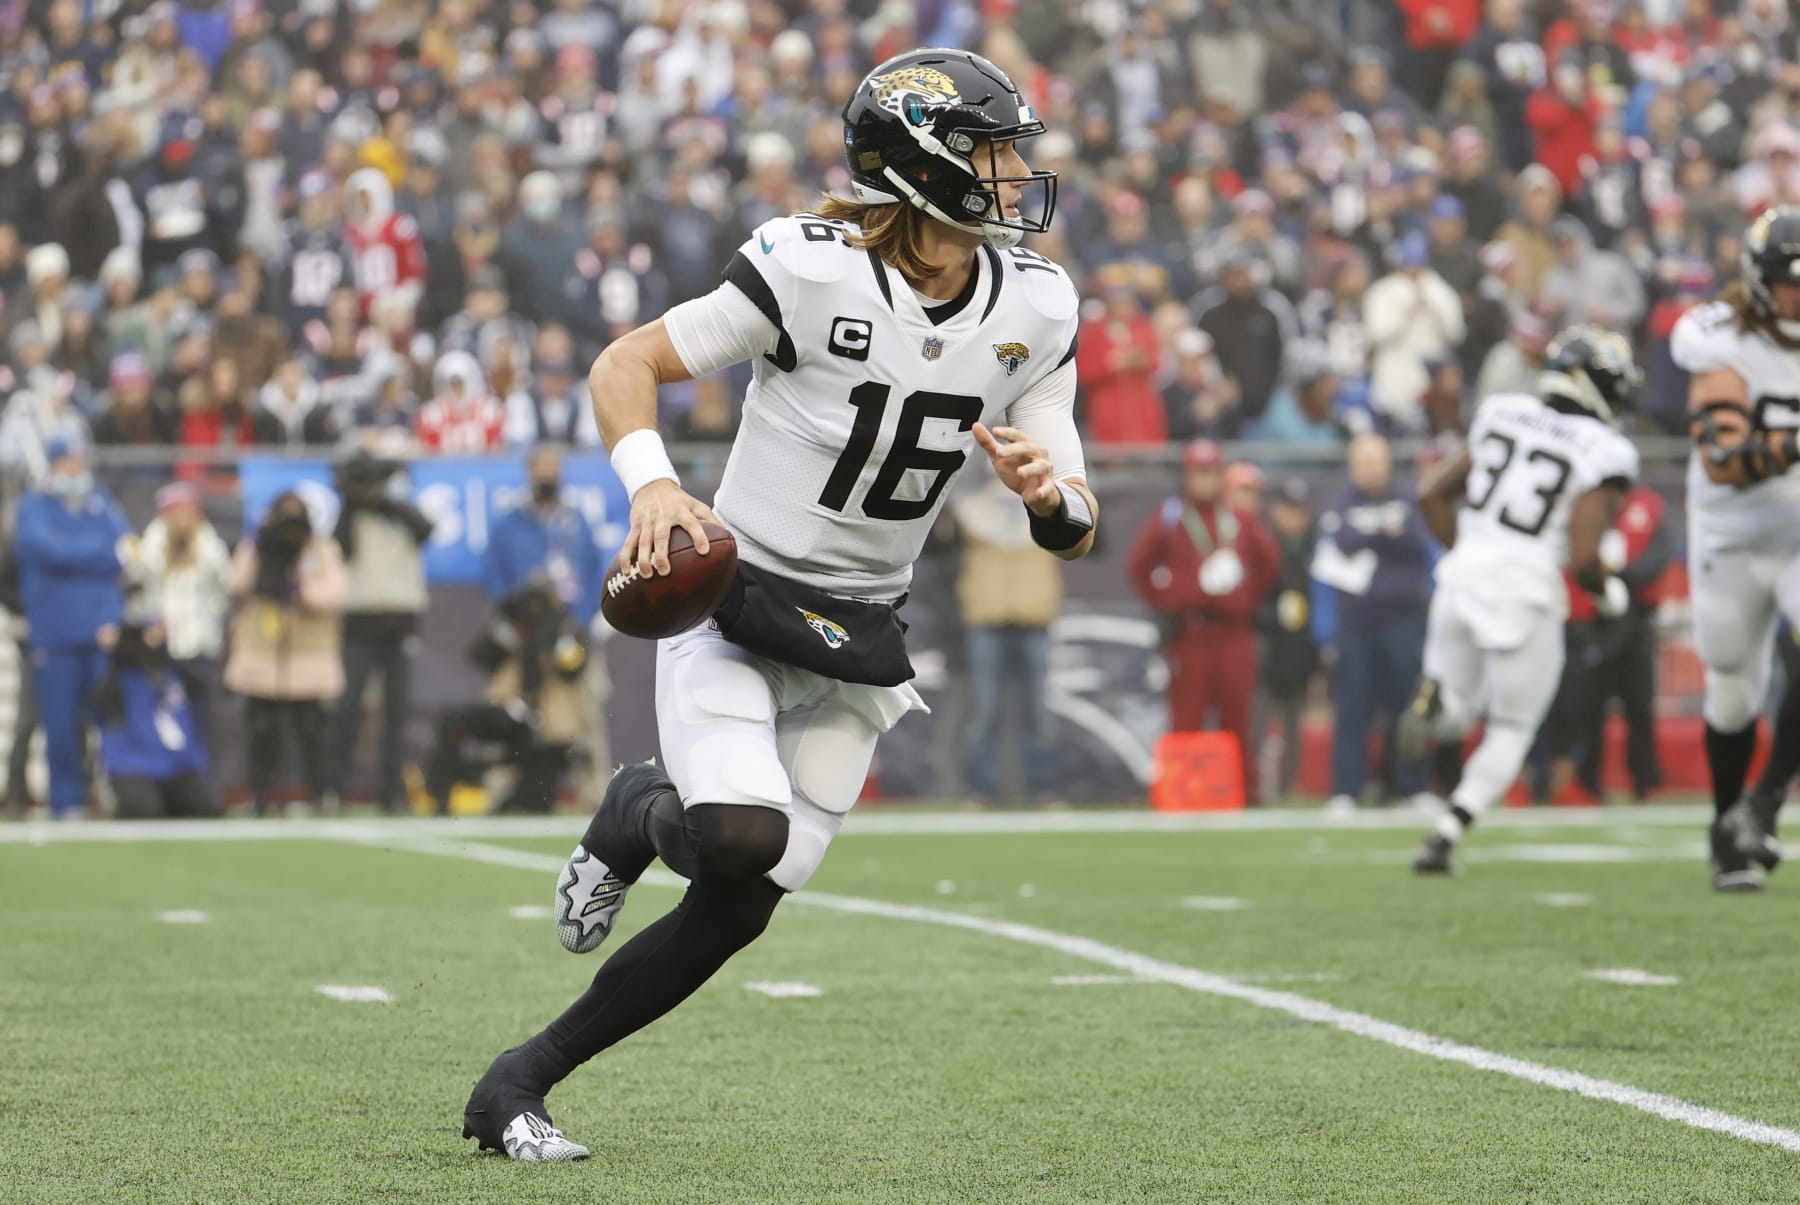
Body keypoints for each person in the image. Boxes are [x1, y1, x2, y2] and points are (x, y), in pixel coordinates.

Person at [460, 49, 1095, 1162]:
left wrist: (1050, 497)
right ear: (923, 165)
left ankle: (522, 1072)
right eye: (991, 151)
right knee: (739, 835)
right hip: (739, 598)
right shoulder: (810, 268)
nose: (1013, 174)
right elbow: (623, 365)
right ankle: (637, 812)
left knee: (744, 899)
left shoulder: (1037, 304)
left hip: (862, 628)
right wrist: (654, 485)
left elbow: (1075, 512)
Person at [1400, 327, 1641, 874]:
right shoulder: (1604, 449)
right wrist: (1609, 593)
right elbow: (1585, 558)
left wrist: (1471, 553)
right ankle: (1446, 833)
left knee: (1456, 715)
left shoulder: (1501, 411)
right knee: (1512, 727)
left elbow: (1431, 491)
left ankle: (1436, 702)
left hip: (1462, 576)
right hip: (1525, 589)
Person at [1670, 206, 1800, 891]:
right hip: (1732, 534)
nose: (1796, 297)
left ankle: (1766, 800)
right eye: (1786, 282)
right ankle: (1728, 830)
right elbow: (1723, 459)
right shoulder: (1720, 339)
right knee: (1730, 692)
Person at [1127, 438, 1278, 802]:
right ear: (1187, 475)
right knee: (1187, 717)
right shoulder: (1171, 517)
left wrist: (1245, 598)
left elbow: (1270, 562)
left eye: (1211, 472)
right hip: (1190, 632)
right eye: (1199, 472)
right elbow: (1138, 565)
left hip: (1233, 632)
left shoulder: (1238, 518)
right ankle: (1185, 794)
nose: (1205, 480)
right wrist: (1167, 600)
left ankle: (1244, 794)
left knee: (1237, 717)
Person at [1310, 433, 1439, 814]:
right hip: (1357, 622)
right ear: (1352, 466)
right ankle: (1346, 790)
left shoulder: (1410, 499)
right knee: (1352, 706)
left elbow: (1418, 541)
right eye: (1363, 461)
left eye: (1376, 460)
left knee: (1407, 706)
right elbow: (1341, 541)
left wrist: (1373, 537)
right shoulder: (1340, 503)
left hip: (1404, 619)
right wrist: (1384, 533)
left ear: (1388, 462)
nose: (1370, 468)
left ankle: (1413, 787)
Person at [12, 437, 129, 819]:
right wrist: (94, 552)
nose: (77, 469)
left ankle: (118, 794)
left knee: (108, 719)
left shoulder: (101, 503)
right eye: (69, 462)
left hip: (100, 631)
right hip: (54, 633)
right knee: (59, 724)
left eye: (81, 461)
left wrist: (73, 552)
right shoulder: (33, 506)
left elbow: (123, 550)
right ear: (54, 464)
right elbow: (44, 548)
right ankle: (67, 801)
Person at [223, 491, 346, 817]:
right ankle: (259, 796)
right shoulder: (256, 544)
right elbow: (236, 583)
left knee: (312, 734)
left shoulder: (321, 548)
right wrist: (263, 551)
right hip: (263, 651)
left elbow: (334, 592)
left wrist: (300, 586)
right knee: (262, 733)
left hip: (308, 652)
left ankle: (321, 794)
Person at [326, 454, 433, 814]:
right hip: (361, 619)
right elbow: (340, 547)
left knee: (397, 712)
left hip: (401, 620)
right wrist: (354, 501)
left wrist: (384, 501)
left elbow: (425, 528)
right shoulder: (351, 514)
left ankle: (392, 792)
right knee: (347, 707)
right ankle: (335, 789)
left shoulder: (403, 513)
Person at [950, 473, 1064, 808]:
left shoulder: (1048, 499)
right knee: (984, 711)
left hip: (1034, 613)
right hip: (987, 615)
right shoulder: (972, 505)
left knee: (1038, 711)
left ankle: (1044, 789)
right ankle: (981, 791)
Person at [133, 482, 232, 783]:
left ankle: (206, 787)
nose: (183, 520)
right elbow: (139, 596)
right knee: (166, 723)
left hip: (201, 649)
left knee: (205, 723)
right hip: (162, 652)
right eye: (177, 513)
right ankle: (166, 786)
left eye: (189, 512)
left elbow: (223, 593)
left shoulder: (211, 548)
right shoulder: (149, 549)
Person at [93, 619, 216, 819]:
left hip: (177, 762)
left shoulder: (171, 673)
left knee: (205, 805)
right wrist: (117, 649)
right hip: (133, 763)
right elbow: (100, 701)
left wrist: (162, 646)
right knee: (143, 809)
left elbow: (203, 684)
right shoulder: (117, 678)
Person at [1252, 478, 1319, 802]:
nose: (1295, 518)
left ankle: (1289, 784)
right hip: (1266, 641)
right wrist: (1268, 614)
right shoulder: (1262, 541)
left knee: (1294, 716)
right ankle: (1253, 782)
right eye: (1289, 510)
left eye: (1300, 511)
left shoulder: (1313, 547)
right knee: (1259, 715)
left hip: (1299, 644)